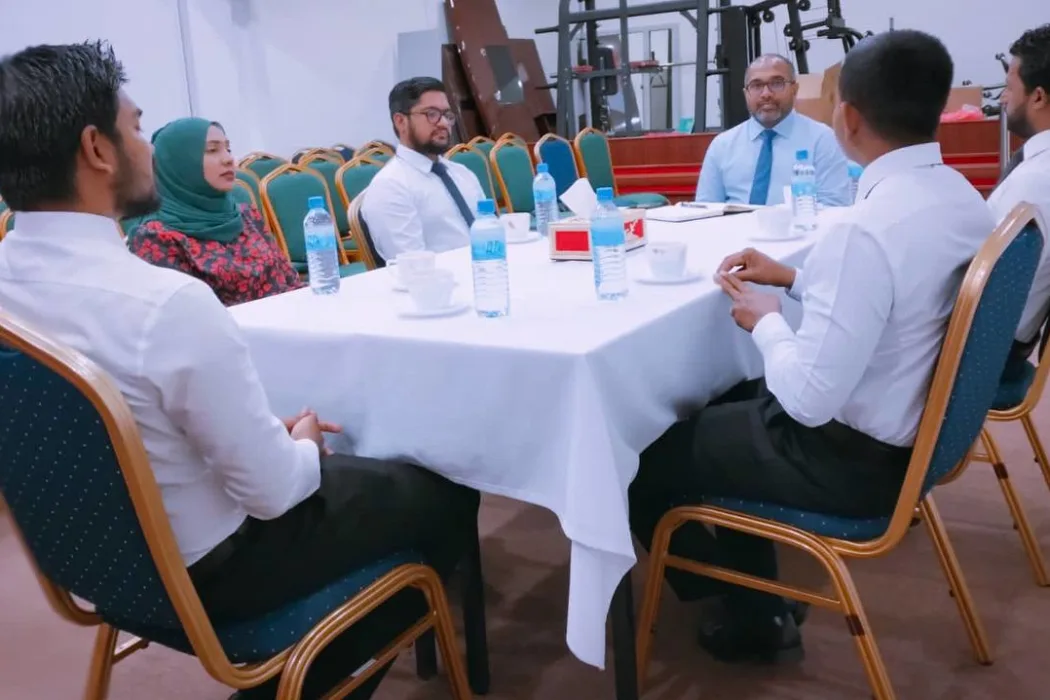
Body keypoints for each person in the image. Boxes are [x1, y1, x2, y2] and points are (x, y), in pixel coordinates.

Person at [0, 42, 479, 700]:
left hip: (94, 563)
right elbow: (275, 493)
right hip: (212, 570)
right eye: (137, 127)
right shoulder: (164, 302)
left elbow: (116, 425)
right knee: (448, 491)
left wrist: (251, 432)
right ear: (96, 149)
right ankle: (304, 680)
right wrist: (301, 443)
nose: (146, 147)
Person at [630, 30, 995, 663]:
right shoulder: (962, 197)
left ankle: (750, 612)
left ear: (846, 118)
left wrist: (766, 321)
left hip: (851, 462)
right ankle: (755, 594)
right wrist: (794, 279)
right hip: (918, 438)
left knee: (643, 452)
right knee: (733, 396)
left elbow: (806, 400)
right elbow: (893, 303)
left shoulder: (863, 228)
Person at [126, 117, 304, 306]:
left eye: (228, 149)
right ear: (180, 163)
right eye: (212, 150)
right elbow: (181, 315)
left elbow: (290, 282)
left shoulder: (246, 216)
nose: (228, 159)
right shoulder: (155, 238)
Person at [695, 54, 851, 207]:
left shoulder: (823, 140)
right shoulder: (722, 146)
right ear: (746, 94)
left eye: (777, 83)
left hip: (801, 224)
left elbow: (835, 207)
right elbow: (705, 209)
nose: (766, 94)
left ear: (795, 89)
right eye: (756, 86)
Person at [361, 77, 485, 263]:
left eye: (447, 115)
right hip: (446, 279)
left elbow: (490, 230)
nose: (443, 123)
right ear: (401, 121)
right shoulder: (390, 187)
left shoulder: (461, 173)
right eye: (431, 114)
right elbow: (414, 267)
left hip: (487, 272)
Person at [987, 24, 1050, 375]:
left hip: (982, 352)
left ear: (1038, 97)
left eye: (1009, 88)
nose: (1002, 99)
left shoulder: (1032, 183)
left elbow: (978, 283)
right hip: (1010, 340)